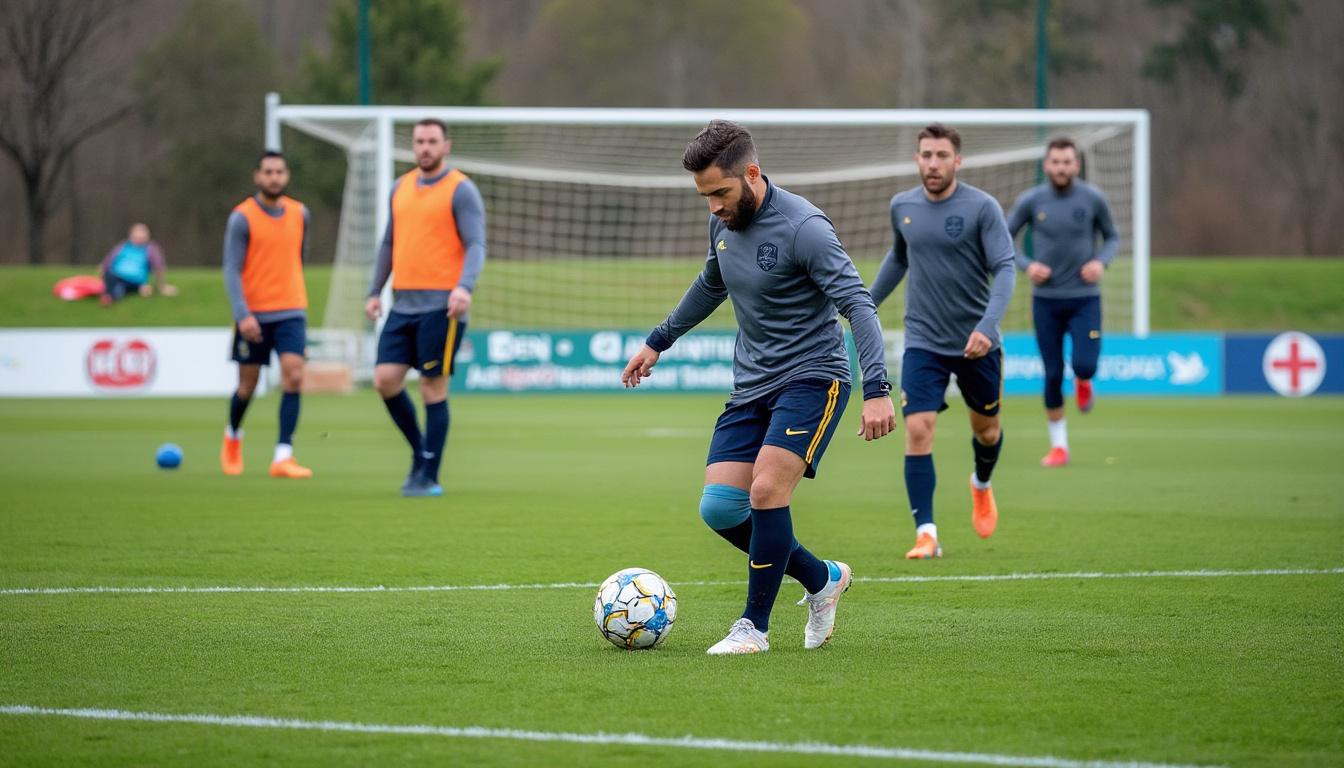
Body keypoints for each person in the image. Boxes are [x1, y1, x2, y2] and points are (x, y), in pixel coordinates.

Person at [622, 120, 896, 655]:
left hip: (814, 377)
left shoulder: (804, 227)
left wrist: (878, 388)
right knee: (721, 509)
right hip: (751, 383)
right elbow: (711, 285)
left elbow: (858, 304)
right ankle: (822, 579)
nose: (714, 207)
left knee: (767, 491)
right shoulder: (721, 224)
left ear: (752, 173)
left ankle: (754, 628)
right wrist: (658, 341)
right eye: (704, 197)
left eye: (720, 193)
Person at [869, 123, 1017, 560]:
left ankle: (981, 484)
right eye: (926, 155)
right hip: (923, 341)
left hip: (978, 343)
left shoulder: (982, 207)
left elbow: (1006, 268)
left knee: (986, 432)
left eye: (941, 155)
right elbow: (899, 258)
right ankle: (926, 533)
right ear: (917, 159)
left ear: (958, 160)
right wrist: (863, 303)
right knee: (918, 428)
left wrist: (987, 327)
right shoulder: (903, 206)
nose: (933, 163)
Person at [365, 118, 486, 498]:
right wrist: (374, 291)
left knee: (433, 387)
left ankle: (427, 475)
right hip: (403, 304)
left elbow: (476, 245)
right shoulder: (399, 188)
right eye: (419, 141)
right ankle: (421, 451)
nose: (425, 147)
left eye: (432, 141)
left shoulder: (461, 190)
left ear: (446, 146)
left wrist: (464, 287)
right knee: (385, 380)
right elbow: (389, 244)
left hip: (443, 306)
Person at [1006, 137, 1120, 467]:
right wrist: (1028, 265)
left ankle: (1084, 381)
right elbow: (1003, 237)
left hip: (1085, 299)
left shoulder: (1093, 198)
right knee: (1053, 373)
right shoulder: (1031, 200)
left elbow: (1112, 237)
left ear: (1076, 165)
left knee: (1085, 365)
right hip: (1046, 302)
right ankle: (1060, 447)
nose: (1061, 167)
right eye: (1055, 162)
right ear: (1046, 165)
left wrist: (1101, 262)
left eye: (1067, 162)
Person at [219, 151, 313, 479]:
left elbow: (298, 257)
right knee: (247, 385)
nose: (274, 177)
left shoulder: (300, 213)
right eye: (268, 172)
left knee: (295, 376)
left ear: (286, 176)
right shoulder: (241, 218)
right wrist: (242, 314)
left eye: (279, 171)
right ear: (257, 176)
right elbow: (231, 270)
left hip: (291, 310)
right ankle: (233, 436)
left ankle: (283, 456)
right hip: (254, 314)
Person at [98, 223, 175, 306]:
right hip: (115, 276)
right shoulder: (123, 246)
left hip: (136, 280)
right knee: (114, 280)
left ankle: (109, 296)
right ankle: (109, 295)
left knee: (117, 286)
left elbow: (158, 267)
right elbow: (106, 262)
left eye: (141, 236)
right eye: (136, 236)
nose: (139, 239)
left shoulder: (151, 249)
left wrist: (162, 286)